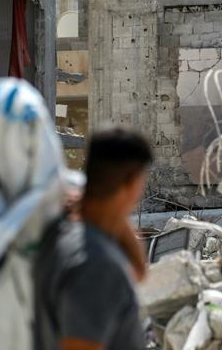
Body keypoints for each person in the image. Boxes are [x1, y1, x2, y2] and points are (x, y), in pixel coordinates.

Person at [33, 127, 153, 350]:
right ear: (132, 182)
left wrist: (108, 205)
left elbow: (139, 271)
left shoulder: (62, 232)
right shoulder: (98, 266)